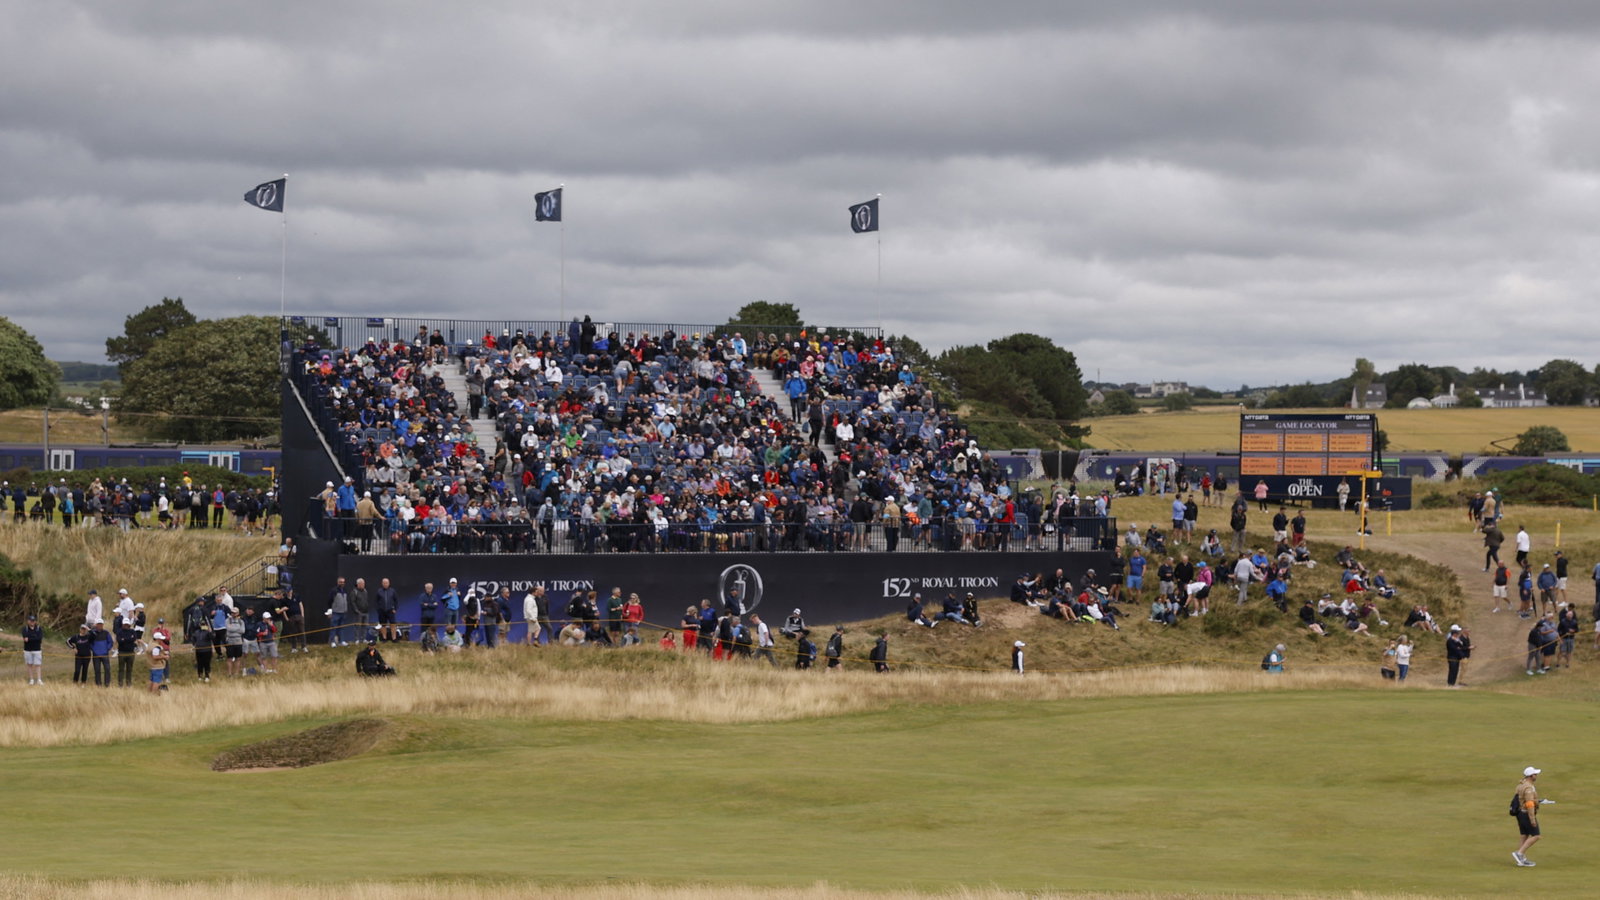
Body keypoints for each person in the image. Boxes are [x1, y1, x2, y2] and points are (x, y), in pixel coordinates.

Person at [1512, 766, 1552, 866]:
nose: (1536, 776)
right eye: (1535, 774)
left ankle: (1520, 858)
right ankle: (1519, 854)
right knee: (1536, 835)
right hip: (1526, 813)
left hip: (1520, 813)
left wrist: (1539, 801)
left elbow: (1522, 799)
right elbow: (1529, 804)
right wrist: (1532, 819)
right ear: (1530, 776)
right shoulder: (1528, 788)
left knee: (1524, 835)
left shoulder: (1521, 785)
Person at [22, 614, 44, 685]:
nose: (32, 622)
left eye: (33, 621)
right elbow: (25, 639)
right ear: (28, 621)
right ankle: (31, 679)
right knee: (29, 664)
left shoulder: (39, 628)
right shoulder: (25, 629)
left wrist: (30, 638)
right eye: (31, 621)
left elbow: (39, 638)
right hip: (27, 650)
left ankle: (39, 679)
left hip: (37, 649)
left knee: (38, 665)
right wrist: (34, 637)